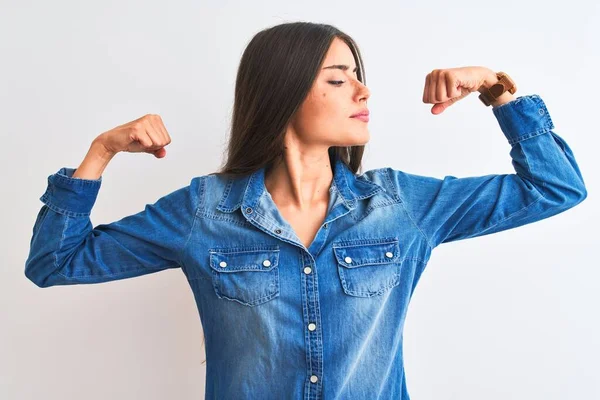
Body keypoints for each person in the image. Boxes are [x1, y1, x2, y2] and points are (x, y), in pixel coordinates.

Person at [25, 21, 587, 400]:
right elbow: (56, 262)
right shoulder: (205, 211)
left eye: (359, 79)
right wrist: (100, 154)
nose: (363, 93)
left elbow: (557, 187)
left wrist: (498, 90)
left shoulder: (402, 206)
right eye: (339, 80)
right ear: (282, 92)